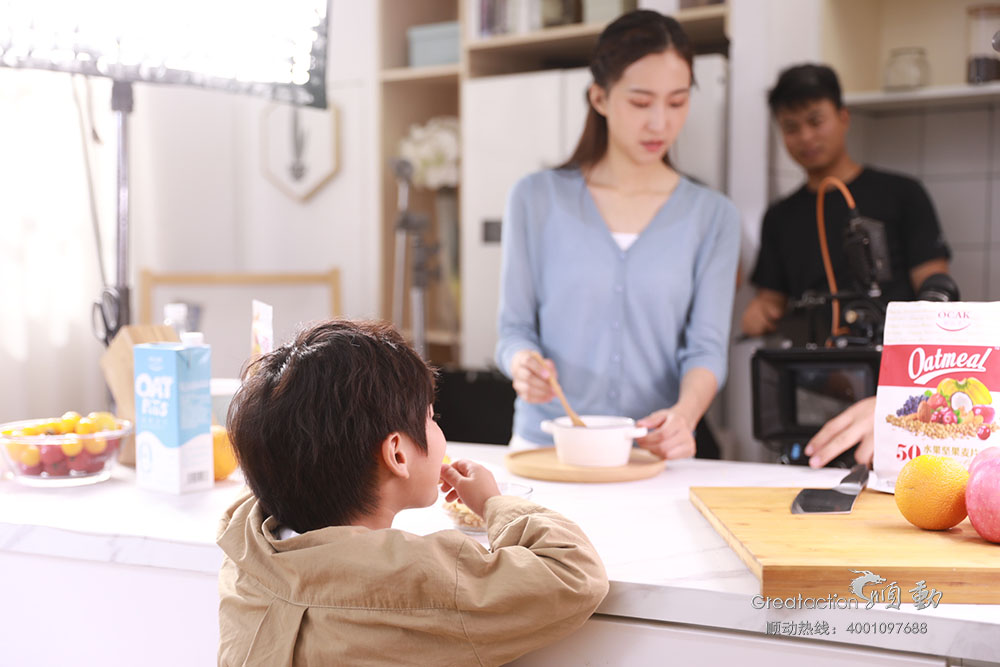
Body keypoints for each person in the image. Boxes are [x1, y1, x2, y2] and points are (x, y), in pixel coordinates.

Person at [217, 319, 609, 666]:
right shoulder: (423, 578)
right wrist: (494, 504)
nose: (438, 430)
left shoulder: (242, 552)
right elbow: (574, 573)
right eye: (431, 417)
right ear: (397, 454)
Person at [495, 10, 741, 460]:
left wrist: (683, 417)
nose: (660, 123)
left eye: (677, 101)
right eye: (641, 102)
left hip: (649, 452)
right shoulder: (535, 198)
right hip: (546, 447)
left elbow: (706, 349)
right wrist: (521, 364)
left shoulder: (714, 216)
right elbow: (513, 330)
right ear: (600, 98)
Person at [742, 63, 951, 339]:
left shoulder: (903, 193)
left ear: (843, 117)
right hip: (814, 370)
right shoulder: (779, 216)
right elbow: (770, 300)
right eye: (791, 127)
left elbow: (933, 280)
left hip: (893, 360)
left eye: (815, 121)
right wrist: (758, 313)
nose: (806, 137)